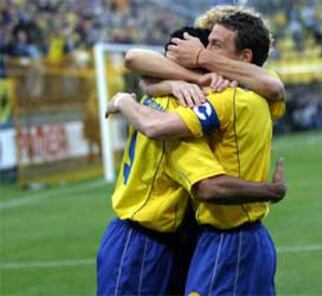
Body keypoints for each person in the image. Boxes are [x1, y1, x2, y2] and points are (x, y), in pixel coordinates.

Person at [97, 26, 287, 296]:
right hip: (142, 243)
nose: (207, 54)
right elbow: (207, 187)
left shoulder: (153, 98)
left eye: (214, 47)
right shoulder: (179, 113)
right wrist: (270, 191)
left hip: (165, 239)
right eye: (203, 49)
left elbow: (274, 87)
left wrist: (126, 100)